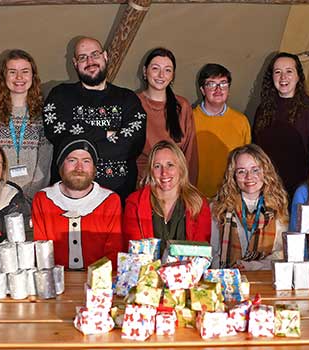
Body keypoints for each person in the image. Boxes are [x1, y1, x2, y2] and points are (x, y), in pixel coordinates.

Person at [43, 36, 146, 202]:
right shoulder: (60, 95)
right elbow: (59, 136)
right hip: (69, 201)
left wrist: (82, 139)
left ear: (105, 56)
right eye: (83, 57)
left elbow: (132, 144)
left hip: (119, 199)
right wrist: (107, 135)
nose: (90, 61)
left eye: (95, 54)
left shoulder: (128, 99)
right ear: (75, 63)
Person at [32, 138, 123, 269]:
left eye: (86, 161)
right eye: (72, 160)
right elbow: (40, 250)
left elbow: (114, 252)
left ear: (94, 168)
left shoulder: (110, 200)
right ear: (61, 165)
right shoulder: (43, 199)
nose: (79, 167)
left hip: (97, 283)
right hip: (55, 281)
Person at [0, 49, 52, 201]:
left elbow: (45, 159)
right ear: (4, 76)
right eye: (12, 72)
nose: (19, 77)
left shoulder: (44, 113)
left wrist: (31, 195)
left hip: (34, 196)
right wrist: (1, 195)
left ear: (33, 76)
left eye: (25, 71)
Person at [253, 52, 309, 197]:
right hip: (268, 189)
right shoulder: (262, 110)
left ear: (298, 76)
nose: (283, 77)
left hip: (303, 189)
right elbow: (256, 151)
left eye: (289, 71)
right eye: (277, 72)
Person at [123, 141, 211, 254]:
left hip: (188, 270)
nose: (164, 173)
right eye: (157, 166)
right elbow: (134, 253)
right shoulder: (135, 203)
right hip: (147, 270)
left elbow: (200, 254)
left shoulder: (198, 203)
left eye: (170, 165)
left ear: (181, 167)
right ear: (151, 171)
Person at [210, 144, 288, 269]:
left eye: (255, 170)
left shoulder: (278, 207)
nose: (249, 177)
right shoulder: (218, 207)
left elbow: (282, 255)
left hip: (264, 280)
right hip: (226, 280)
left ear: (265, 171)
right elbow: (211, 252)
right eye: (241, 171)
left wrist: (251, 266)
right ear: (233, 176)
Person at [137, 48, 198, 184]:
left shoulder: (182, 106)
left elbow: (190, 152)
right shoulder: (132, 103)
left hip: (174, 185)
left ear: (172, 76)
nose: (161, 75)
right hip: (141, 185)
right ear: (145, 71)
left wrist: (188, 189)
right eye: (155, 68)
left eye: (167, 70)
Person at [193, 63, 251, 198]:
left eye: (223, 83)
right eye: (211, 84)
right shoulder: (189, 119)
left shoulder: (241, 121)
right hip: (195, 196)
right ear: (202, 89)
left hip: (230, 196)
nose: (218, 89)